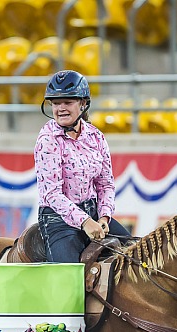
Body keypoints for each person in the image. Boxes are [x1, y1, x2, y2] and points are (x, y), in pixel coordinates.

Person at [35, 70, 131, 263]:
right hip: (58, 221)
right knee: (68, 276)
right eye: (55, 103)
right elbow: (51, 194)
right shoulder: (47, 140)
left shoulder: (96, 137)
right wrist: (85, 221)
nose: (61, 108)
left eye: (68, 102)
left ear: (83, 104)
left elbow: (105, 184)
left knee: (136, 254)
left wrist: (104, 217)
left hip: (93, 214)